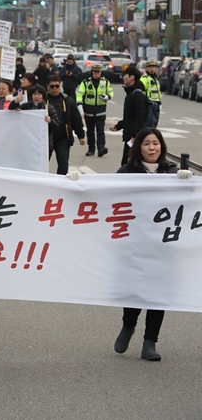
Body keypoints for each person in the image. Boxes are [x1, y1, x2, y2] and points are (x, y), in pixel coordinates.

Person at [111, 128, 193, 361]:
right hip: (134, 243)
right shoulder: (126, 172)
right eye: (146, 144)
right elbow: (104, 194)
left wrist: (186, 184)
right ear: (139, 148)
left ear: (162, 147)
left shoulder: (172, 171)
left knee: (158, 293)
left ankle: (150, 342)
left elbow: (188, 204)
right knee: (134, 289)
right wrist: (76, 182)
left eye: (155, 144)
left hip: (164, 244)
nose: (151, 148)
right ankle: (128, 326)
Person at [46, 75, 86, 175]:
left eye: (57, 86)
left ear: (60, 86)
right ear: (47, 87)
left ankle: (61, 184)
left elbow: (76, 118)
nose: (55, 88)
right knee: (43, 162)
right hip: (46, 137)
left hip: (63, 137)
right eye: (52, 86)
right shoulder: (42, 100)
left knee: (63, 162)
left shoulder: (68, 101)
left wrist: (81, 135)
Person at [110, 67, 148, 165]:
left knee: (128, 164)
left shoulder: (137, 94)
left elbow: (140, 117)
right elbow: (130, 116)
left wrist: (135, 136)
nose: (123, 77)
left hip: (134, 137)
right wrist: (118, 126)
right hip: (131, 135)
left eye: (125, 75)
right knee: (129, 163)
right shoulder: (131, 92)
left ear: (132, 77)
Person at [76, 64, 114, 157]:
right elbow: (80, 94)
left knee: (100, 130)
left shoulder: (105, 82)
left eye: (98, 72)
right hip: (88, 110)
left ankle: (101, 147)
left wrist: (107, 97)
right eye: (95, 72)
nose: (97, 74)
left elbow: (111, 92)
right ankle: (91, 149)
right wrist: (79, 105)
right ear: (92, 72)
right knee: (90, 131)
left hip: (101, 110)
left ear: (100, 72)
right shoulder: (85, 82)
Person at [15, 85, 60, 155]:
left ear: (43, 96)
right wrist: (15, 103)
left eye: (39, 94)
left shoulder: (48, 108)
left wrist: (50, 121)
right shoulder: (25, 106)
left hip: (44, 144)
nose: (36, 96)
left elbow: (57, 125)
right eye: (34, 94)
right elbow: (11, 110)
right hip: (28, 143)